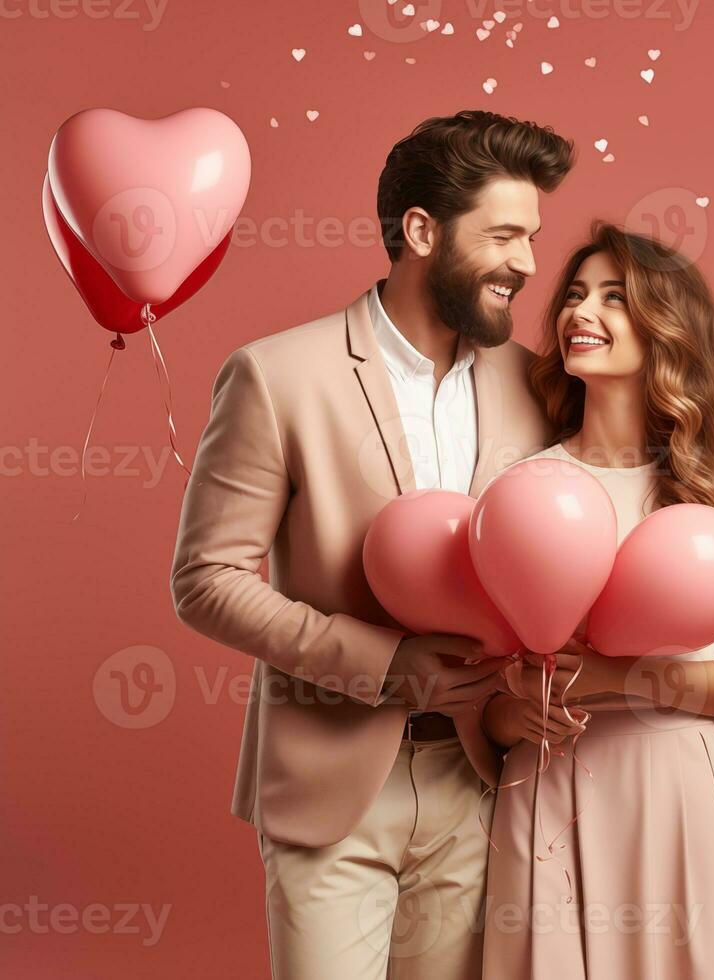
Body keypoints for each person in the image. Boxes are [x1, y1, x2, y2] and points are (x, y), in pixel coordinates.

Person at [169, 110, 576, 980]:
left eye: (533, 237)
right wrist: (385, 662)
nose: (529, 264)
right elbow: (206, 578)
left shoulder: (536, 382)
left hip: (483, 782)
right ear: (422, 232)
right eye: (504, 235)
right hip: (328, 785)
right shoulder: (276, 375)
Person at [481, 222, 714, 978]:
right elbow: (486, 689)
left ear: (666, 326)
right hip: (547, 789)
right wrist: (507, 712)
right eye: (576, 295)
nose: (582, 312)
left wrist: (622, 680)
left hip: (678, 796)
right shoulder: (520, 484)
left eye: (614, 298)